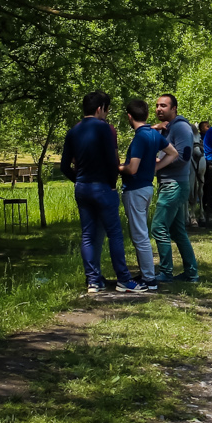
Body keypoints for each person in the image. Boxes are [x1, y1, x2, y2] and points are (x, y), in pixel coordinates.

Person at [59, 91, 138, 294]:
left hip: (82, 188)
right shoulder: (104, 128)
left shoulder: (73, 131)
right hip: (103, 187)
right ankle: (123, 279)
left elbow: (64, 166)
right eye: (107, 109)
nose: (107, 113)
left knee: (87, 235)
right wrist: (112, 183)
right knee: (115, 235)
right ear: (100, 108)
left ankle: (93, 281)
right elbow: (112, 160)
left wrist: (78, 180)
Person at [120, 97, 172, 291]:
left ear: (129, 116)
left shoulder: (140, 137)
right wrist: (155, 168)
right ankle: (147, 274)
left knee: (139, 235)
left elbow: (132, 169)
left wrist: (117, 166)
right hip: (147, 187)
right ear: (147, 114)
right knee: (140, 233)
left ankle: (149, 279)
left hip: (135, 189)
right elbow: (173, 153)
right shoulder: (153, 134)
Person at [150, 93, 199, 283]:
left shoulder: (180, 128)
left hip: (175, 185)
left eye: (164, 106)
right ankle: (191, 273)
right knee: (177, 231)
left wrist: (158, 165)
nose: (159, 109)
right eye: (157, 106)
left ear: (174, 109)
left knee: (158, 227)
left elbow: (183, 157)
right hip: (169, 183)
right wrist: (155, 128)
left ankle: (165, 272)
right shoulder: (166, 128)